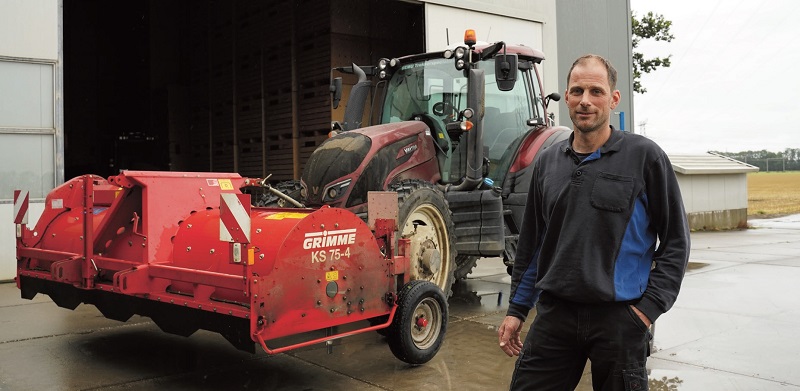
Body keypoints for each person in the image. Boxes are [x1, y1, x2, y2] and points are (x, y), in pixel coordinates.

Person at [497, 54, 690, 391]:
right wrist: (517, 309)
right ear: (567, 97)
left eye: (596, 91)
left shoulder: (645, 158)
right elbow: (533, 246)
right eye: (577, 91)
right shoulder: (547, 163)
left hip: (620, 319)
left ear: (613, 99)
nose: (585, 101)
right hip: (556, 315)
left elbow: (676, 242)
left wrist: (645, 312)